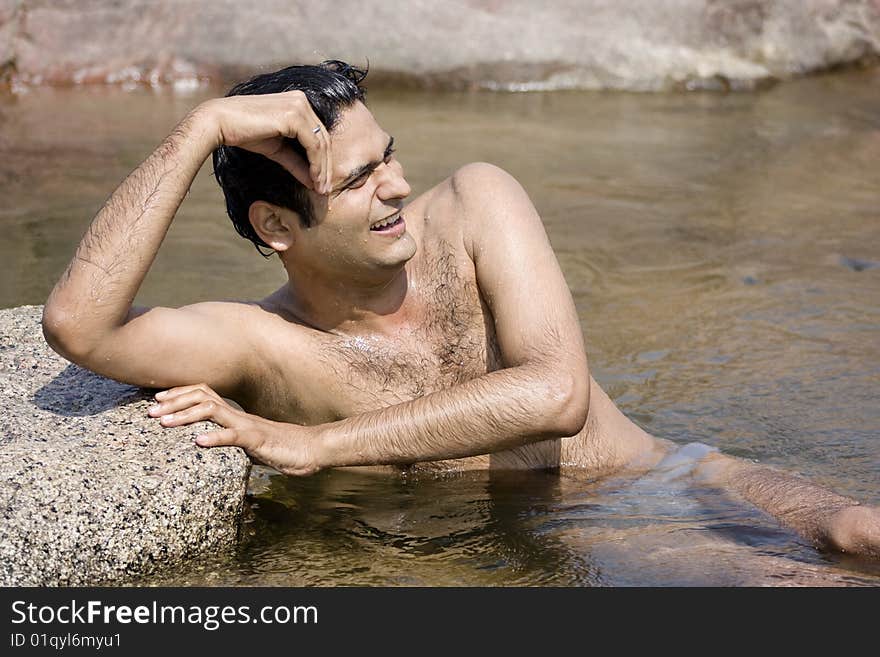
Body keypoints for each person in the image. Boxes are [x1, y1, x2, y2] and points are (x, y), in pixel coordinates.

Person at [42, 60, 880, 559]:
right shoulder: (268, 344)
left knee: (852, 530)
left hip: (669, 476)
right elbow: (80, 326)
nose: (398, 187)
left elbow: (556, 395)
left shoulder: (479, 202)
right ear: (275, 226)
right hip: (590, 539)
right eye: (359, 179)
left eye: (390, 157)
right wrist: (201, 127)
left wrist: (316, 443)